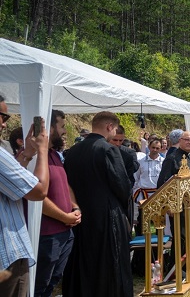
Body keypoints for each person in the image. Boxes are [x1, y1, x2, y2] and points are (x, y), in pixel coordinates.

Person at [63, 111, 133, 297]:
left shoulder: (72, 151)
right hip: (106, 216)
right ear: (110, 127)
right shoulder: (109, 149)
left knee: (84, 262)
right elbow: (122, 185)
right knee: (110, 263)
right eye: (115, 129)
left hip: (80, 215)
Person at [0, 107, 49, 297]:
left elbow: (10, 184)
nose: (4, 124)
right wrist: (42, 152)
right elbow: (39, 191)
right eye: (2, 117)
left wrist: (27, 154)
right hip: (7, 254)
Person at [35, 110, 80, 297]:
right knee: (39, 286)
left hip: (64, 231)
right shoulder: (36, 158)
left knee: (53, 281)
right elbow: (37, 196)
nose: (65, 131)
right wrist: (64, 216)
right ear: (51, 128)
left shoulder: (54, 155)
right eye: (61, 126)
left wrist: (75, 207)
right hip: (47, 235)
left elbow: (65, 184)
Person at [156, 131, 190, 273]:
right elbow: (163, 182)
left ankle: (186, 263)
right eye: (187, 140)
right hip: (178, 203)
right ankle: (175, 267)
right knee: (180, 235)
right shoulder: (172, 158)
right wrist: (168, 205)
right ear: (180, 141)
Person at [132, 138, 164, 235]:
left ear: (160, 149)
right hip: (143, 194)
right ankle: (141, 247)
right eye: (153, 147)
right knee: (141, 221)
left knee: (159, 222)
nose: (155, 150)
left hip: (157, 194)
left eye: (157, 148)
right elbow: (136, 178)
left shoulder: (163, 161)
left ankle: (159, 246)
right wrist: (136, 192)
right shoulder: (141, 161)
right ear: (149, 147)